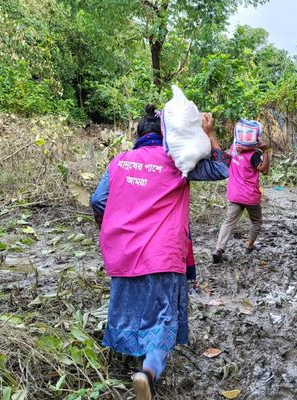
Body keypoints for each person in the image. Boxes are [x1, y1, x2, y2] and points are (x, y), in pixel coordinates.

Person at [90, 105, 230, 400]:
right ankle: (149, 371)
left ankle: (132, 357)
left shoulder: (120, 161)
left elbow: (98, 200)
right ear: (166, 135)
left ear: (138, 135)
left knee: (130, 309)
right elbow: (222, 168)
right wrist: (210, 132)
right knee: (163, 317)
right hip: (163, 255)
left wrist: (114, 228)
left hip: (125, 252)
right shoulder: (178, 162)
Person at [212, 120, 270, 263]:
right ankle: (249, 245)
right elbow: (264, 170)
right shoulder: (254, 155)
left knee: (229, 222)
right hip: (250, 196)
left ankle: (219, 249)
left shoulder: (233, 149)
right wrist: (266, 151)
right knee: (256, 221)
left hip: (234, 194)